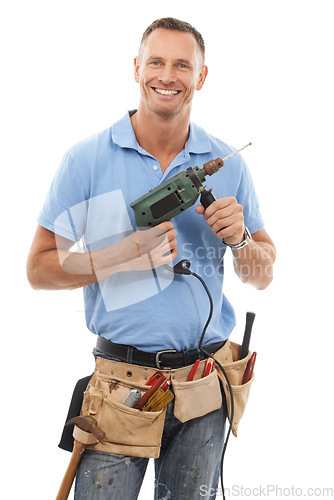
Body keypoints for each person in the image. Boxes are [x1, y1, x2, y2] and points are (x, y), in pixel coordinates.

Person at [27, 17, 276, 500]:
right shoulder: (86, 160)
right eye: (156, 62)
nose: (168, 75)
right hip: (121, 389)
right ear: (137, 69)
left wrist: (241, 239)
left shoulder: (228, 163)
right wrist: (119, 256)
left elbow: (263, 274)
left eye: (183, 64)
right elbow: (37, 269)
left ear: (200, 77)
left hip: (205, 388)